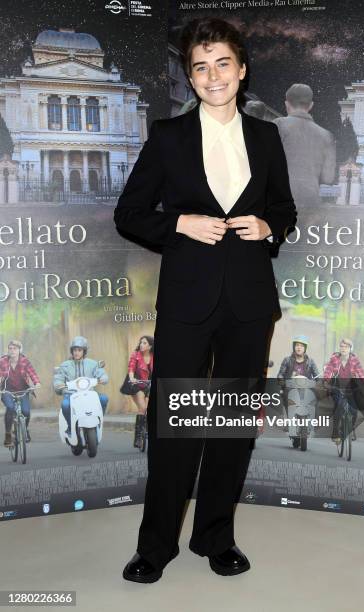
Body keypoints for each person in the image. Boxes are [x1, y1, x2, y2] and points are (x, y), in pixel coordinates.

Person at [114, 17, 297, 583]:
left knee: (232, 427)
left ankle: (215, 536)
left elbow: (285, 212)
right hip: (188, 303)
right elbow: (130, 215)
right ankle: (156, 545)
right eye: (200, 66)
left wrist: (268, 227)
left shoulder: (266, 138)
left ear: (241, 71)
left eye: (222, 63)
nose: (212, 75)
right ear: (190, 78)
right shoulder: (167, 137)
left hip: (248, 303)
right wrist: (182, 224)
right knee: (175, 426)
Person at [272, 83, 336, 209]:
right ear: (311, 105)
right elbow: (328, 177)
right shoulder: (326, 136)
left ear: (287, 103)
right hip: (310, 202)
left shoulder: (277, 125)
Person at [53, 336, 109, 436]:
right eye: (74, 350)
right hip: (71, 394)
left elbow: (100, 372)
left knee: (104, 399)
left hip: (89, 394)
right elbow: (58, 378)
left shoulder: (92, 364)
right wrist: (59, 385)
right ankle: (70, 427)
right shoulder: (65, 365)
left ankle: (99, 420)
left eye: (79, 350)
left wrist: (103, 377)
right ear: (72, 351)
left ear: (84, 351)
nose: (76, 352)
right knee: (65, 405)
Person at [323, 338, 364, 444]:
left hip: (351, 389)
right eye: (342, 346)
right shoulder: (334, 359)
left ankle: (350, 429)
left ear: (350, 349)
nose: (343, 349)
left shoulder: (355, 360)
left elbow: (361, 374)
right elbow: (328, 371)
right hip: (336, 387)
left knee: (354, 411)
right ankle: (335, 431)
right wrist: (326, 381)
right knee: (339, 405)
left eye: (346, 347)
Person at [0, 340, 41, 446]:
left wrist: (36, 383)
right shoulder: (3, 361)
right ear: (8, 350)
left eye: (15, 348)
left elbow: (32, 373)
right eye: (10, 348)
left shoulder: (24, 361)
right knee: (10, 408)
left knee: (26, 412)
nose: (12, 351)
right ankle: (8, 435)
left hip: (23, 391)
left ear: (19, 350)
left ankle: (24, 429)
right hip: (7, 391)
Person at [277, 335, 319, 426]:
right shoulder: (287, 360)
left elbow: (317, 376)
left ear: (305, 348)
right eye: (297, 345)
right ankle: (289, 419)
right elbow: (280, 374)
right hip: (290, 388)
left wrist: (318, 382)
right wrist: (282, 381)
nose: (299, 347)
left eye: (301, 346)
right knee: (286, 396)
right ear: (294, 347)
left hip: (306, 388)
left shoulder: (310, 361)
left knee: (316, 396)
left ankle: (314, 421)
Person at [121, 336, 154, 448]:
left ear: (150, 346)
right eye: (141, 342)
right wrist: (131, 378)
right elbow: (131, 368)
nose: (141, 344)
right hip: (137, 385)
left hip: (150, 384)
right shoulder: (136, 355)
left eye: (144, 343)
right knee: (142, 408)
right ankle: (138, 438)